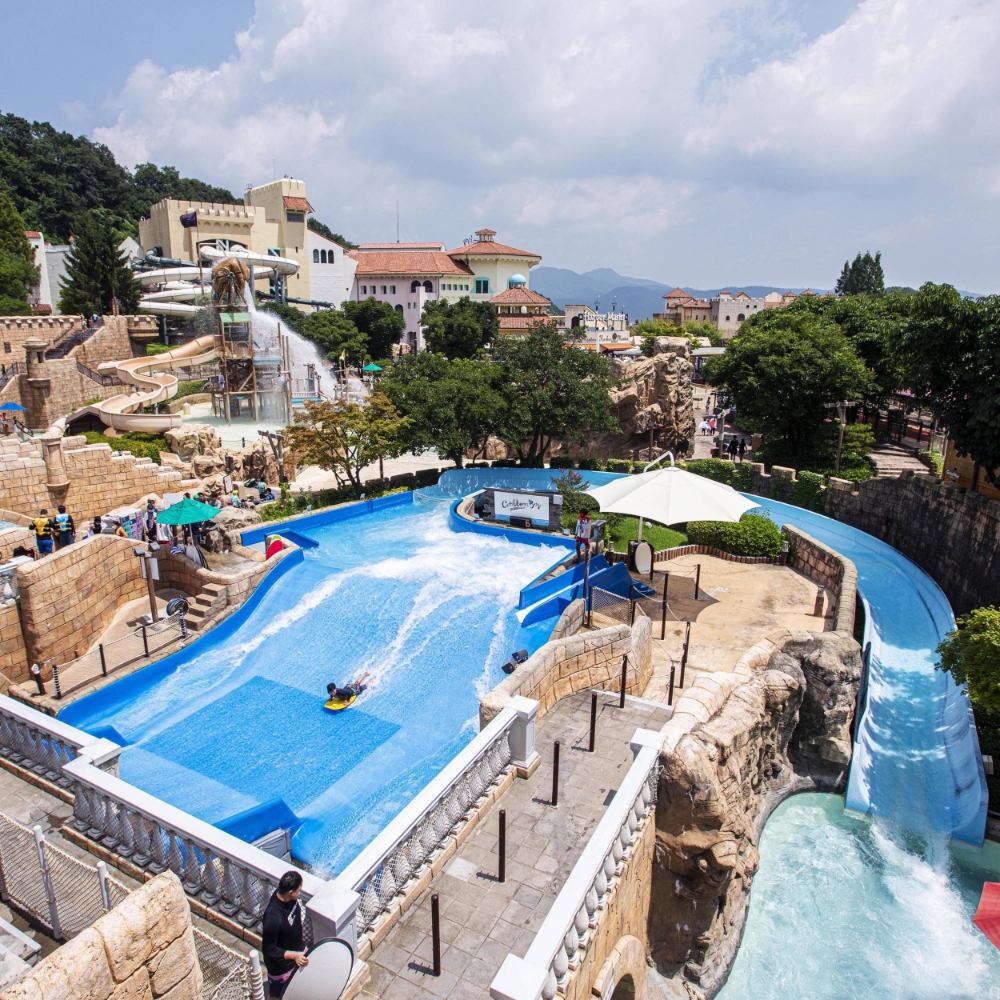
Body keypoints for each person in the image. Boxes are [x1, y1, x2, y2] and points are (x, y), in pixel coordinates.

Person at [261, 871, 308, 998]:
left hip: (299, 951)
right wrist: (294, 956)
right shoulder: (273, 918)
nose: (300, 892)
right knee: (276, 996)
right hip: (282, 967)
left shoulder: (290, 898)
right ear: (290, 892)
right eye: (299, 890)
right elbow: (269, 950)